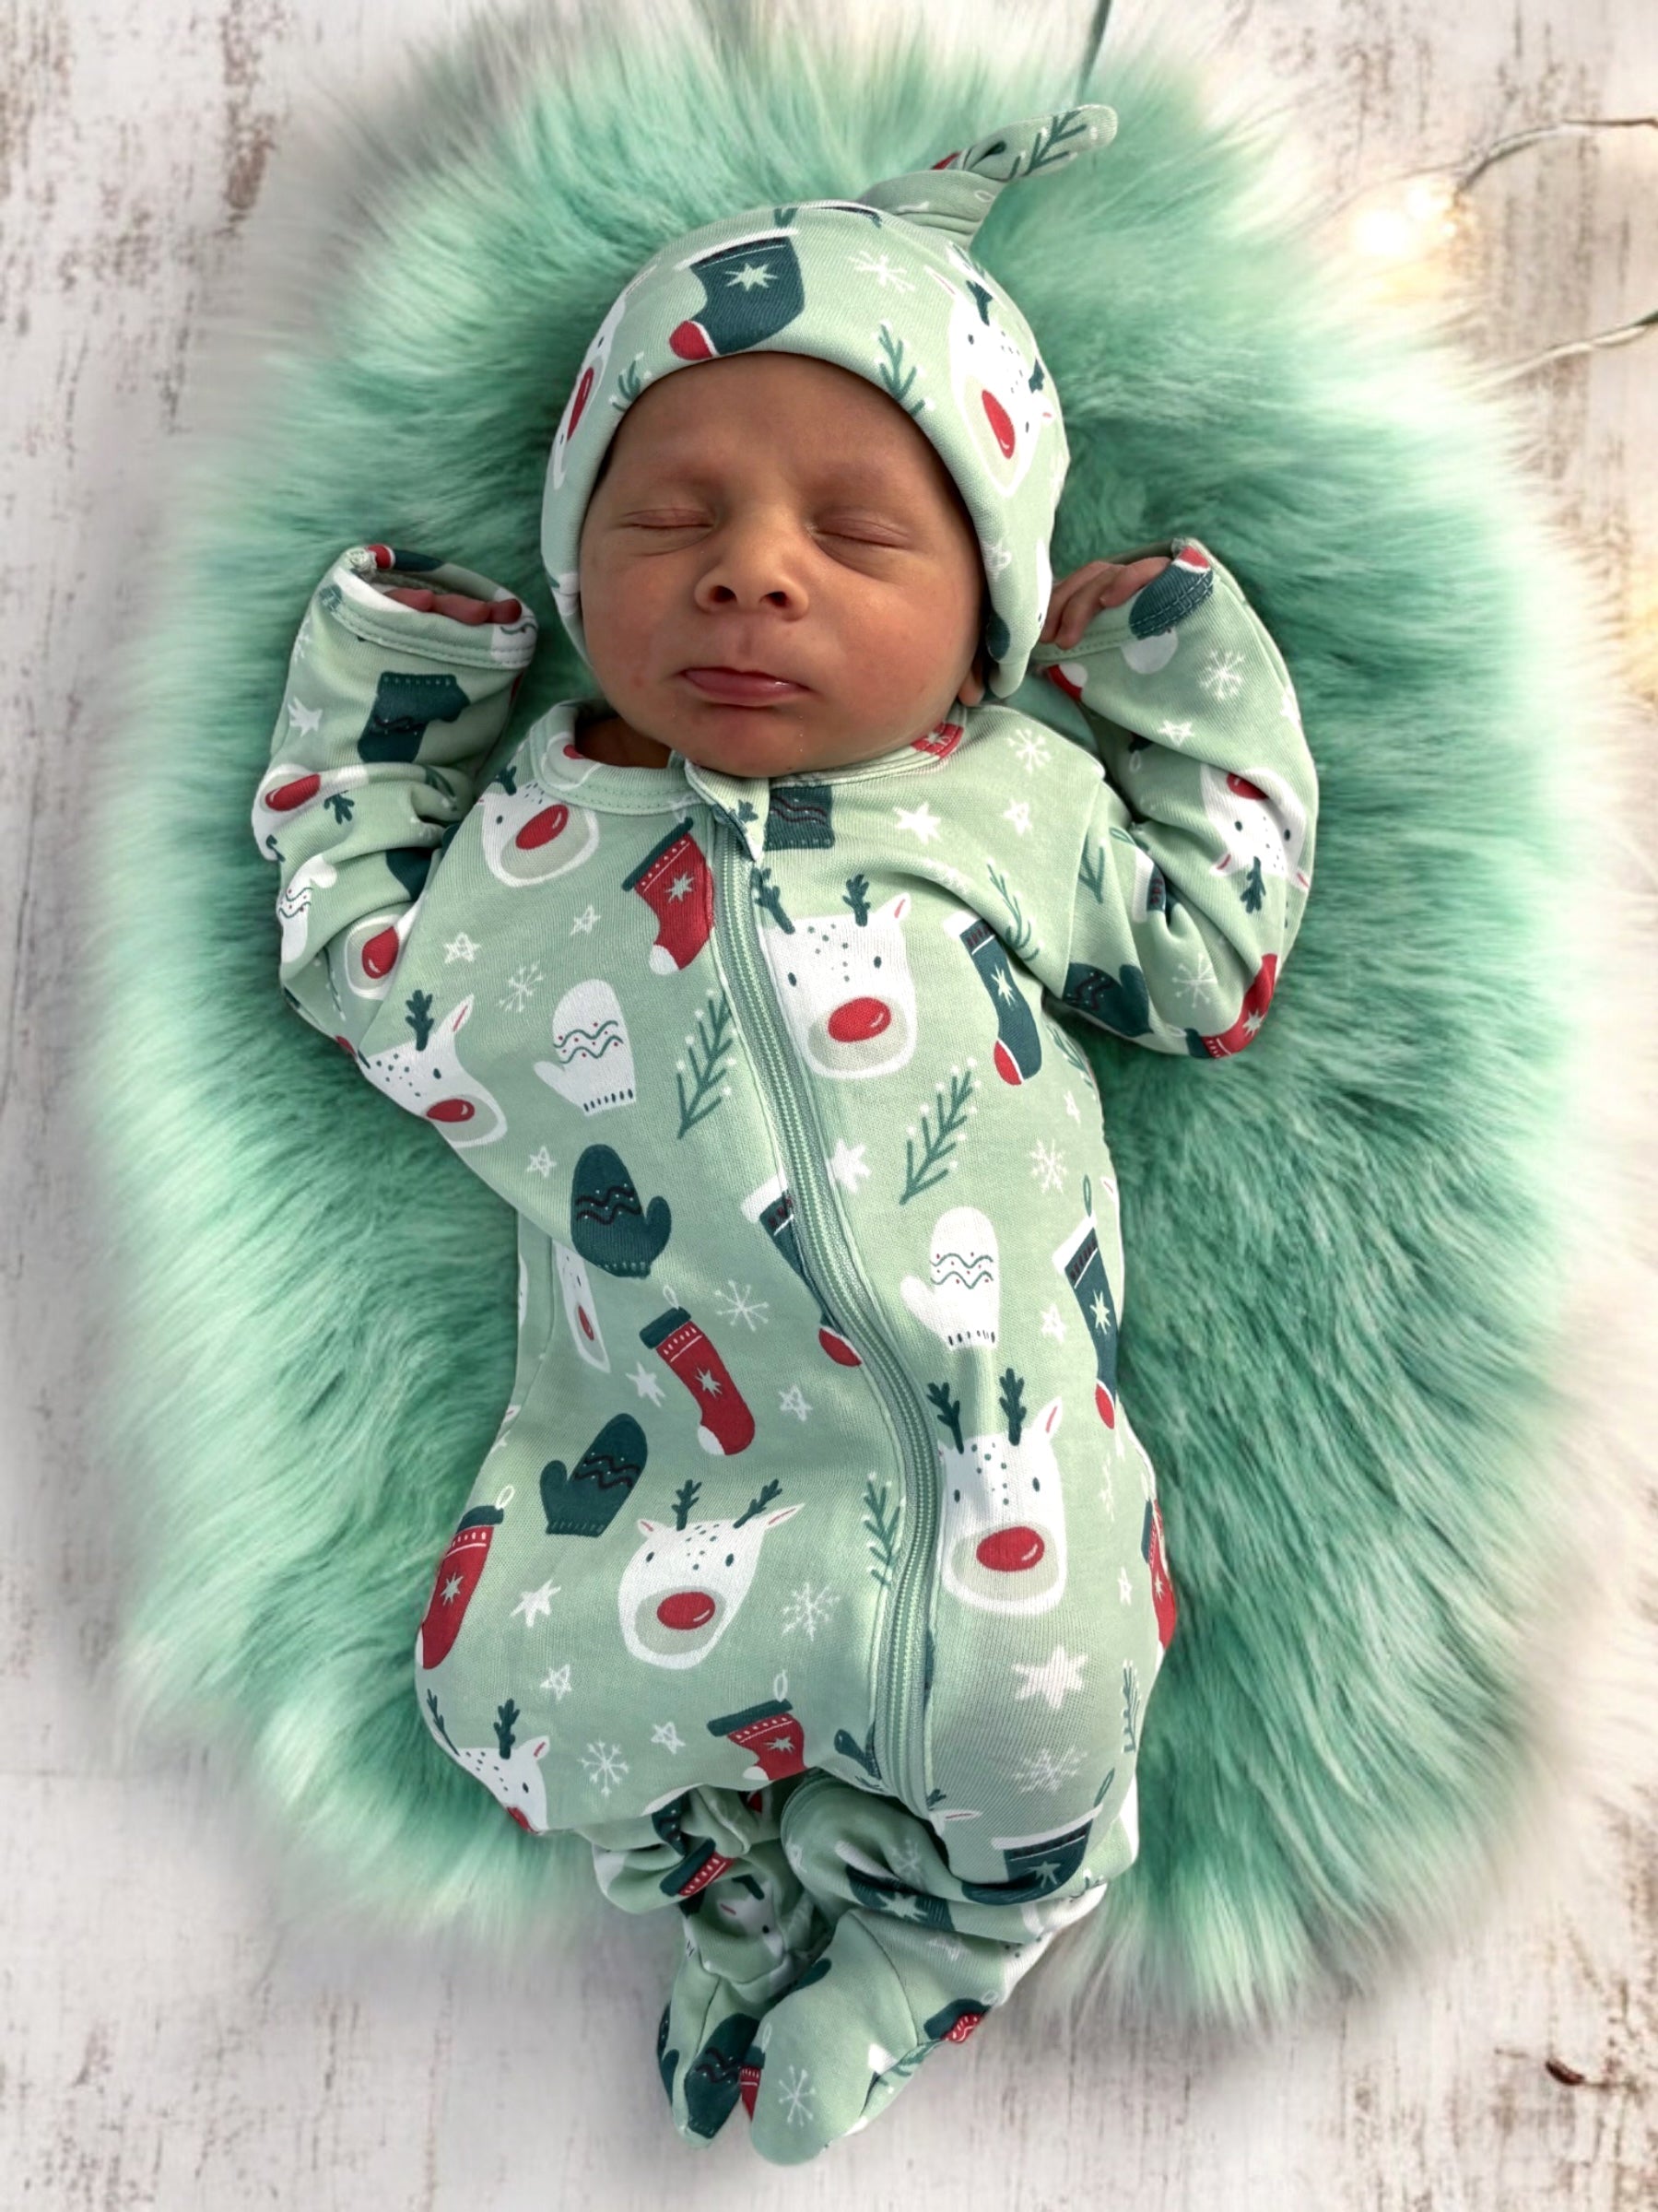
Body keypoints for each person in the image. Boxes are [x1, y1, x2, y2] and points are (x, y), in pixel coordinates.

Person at [250, 104, 1318, 2163]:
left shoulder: (1005, 800)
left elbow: (1209, 961)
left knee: (1048, 1711)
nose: (753, 566)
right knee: (500, 1693)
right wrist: (389, 701)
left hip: (998, 1465)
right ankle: (719, 1892)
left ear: (983, 623)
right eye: (674, 520)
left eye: (859, 532)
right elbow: (349, 954)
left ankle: (936, 1948)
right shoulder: (540, 847)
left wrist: (1177, 678)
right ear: (581, 563)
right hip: (646, 1463)